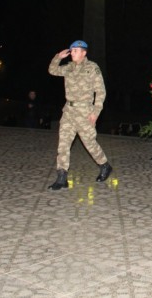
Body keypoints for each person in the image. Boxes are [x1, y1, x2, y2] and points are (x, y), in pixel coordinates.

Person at [46, 40, 112, 190]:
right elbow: (52, 70)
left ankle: (105, 165)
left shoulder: (92, 67)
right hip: (68, 112)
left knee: (89, 143)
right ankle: (62, 178)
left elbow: (100, 92)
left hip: (85, 113)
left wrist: (96, 112)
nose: (73, 52)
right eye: (72, 50)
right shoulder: (68, 68)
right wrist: (58, 57)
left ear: (84, 52)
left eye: (76, 50)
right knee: (63, 144)